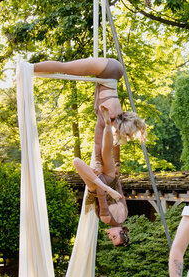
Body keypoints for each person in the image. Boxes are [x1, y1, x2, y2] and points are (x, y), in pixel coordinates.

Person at [33, 57, 146, 246]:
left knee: (106, 148)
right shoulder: (108, 218)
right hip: (107, 72)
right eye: (114, 237)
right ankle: (29, 69)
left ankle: (31, 69)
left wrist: (112, 168)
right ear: (120, 233)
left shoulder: (124, 215)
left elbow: (108, 153)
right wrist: (104, 182)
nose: (110, 237)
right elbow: (103, 192)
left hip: (113, 72)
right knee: (64, 68)